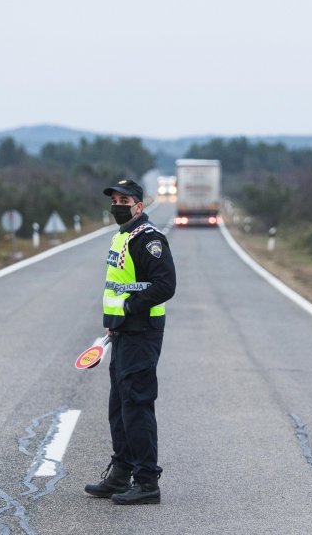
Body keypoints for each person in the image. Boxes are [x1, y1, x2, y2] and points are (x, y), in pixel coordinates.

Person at [85, 179, 177, 505]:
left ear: (139, 205)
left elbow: (165, 285)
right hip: (124, 333)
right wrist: (113, 324)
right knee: (119, 406)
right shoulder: (123, 236)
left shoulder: (149, 239)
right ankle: (121, 473)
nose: (118, 205)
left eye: (125, 200)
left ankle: (147, 481)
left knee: (137, 405)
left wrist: (128, 309)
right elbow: (120, 286)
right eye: (115, 199)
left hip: (142, 332)